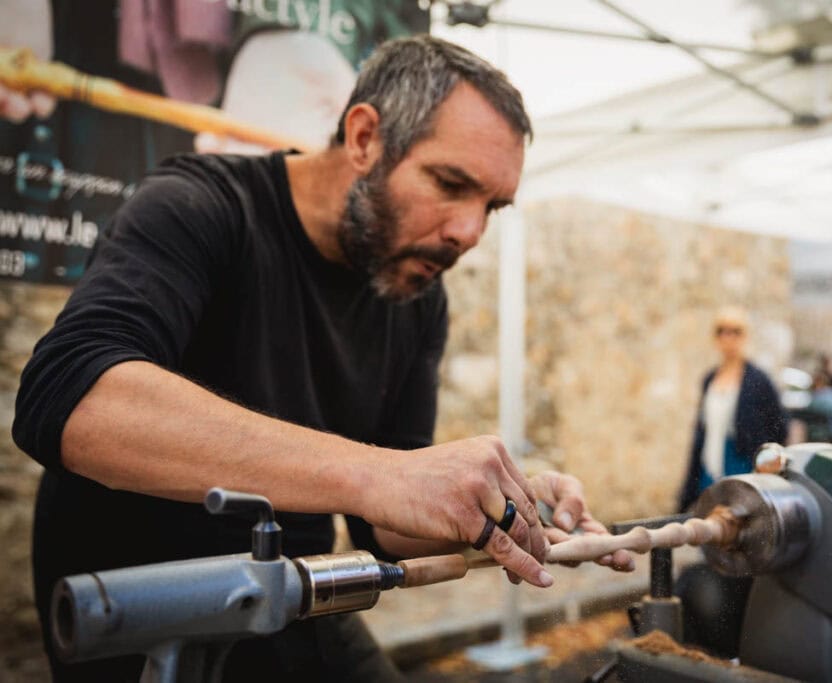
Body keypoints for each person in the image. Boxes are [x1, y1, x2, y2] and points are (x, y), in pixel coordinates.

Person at [12, 35, 631, 682]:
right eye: (450, 184)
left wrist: (506, 505)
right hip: (141, 615)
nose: (469, 233)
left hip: (298, 597)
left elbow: (384, 528)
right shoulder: (200, 206)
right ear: (364, 137)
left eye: (491, 208)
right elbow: (67, 397)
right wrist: (377, 474)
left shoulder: (415, 294)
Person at [674, 306, 787, 658]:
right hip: (712, 468)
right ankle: (716, 630)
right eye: (722, 331)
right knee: (713, 544)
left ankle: (743, 626)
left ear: (744, 336)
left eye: (735, 331)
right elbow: (701, 434)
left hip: (742, 469)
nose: (728, 338)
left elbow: (777, 430)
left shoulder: (758, 380)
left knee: (742, 543)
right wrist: (686, 491)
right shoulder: (710, 379)